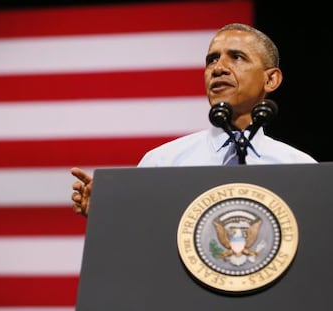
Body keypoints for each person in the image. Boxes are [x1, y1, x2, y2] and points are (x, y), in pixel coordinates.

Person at [71, 23, 317, 217]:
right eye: (212, 59)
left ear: (271, 80)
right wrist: (108, 217)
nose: (219, 68)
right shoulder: (162, 163)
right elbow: (141, 244)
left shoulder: (300, 168)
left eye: (237, 57)